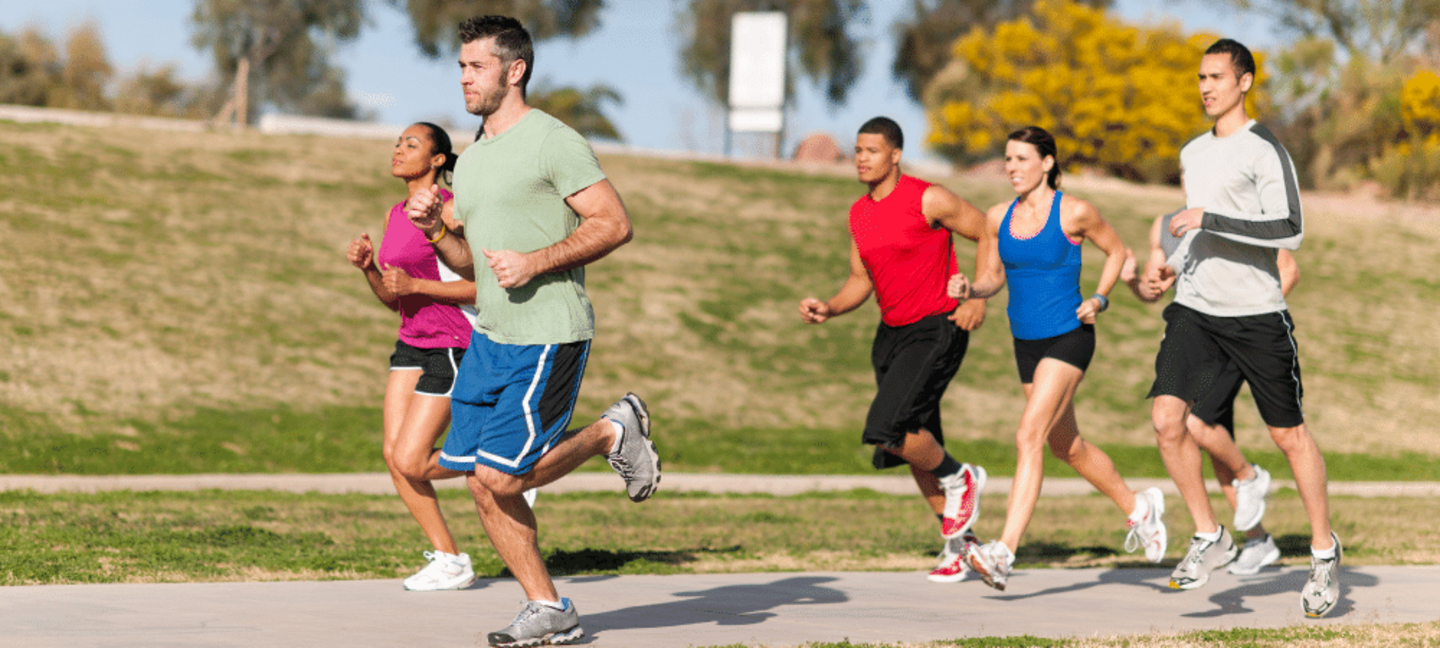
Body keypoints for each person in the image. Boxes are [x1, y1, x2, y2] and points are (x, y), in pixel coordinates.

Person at [404, 15, 660, 647]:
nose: (464, 78)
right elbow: (473, 266)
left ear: (514, 70)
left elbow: (614, 222)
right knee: (474, 475)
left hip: (549, 332)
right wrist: (439, 230)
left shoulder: (553, 140)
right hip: (491, 334)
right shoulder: (475, 160)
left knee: (503, 477)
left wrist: (537, 261)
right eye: (461, 66)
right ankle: (547, 607)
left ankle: (610, 430)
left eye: (476, 66)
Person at [1146, 38, 1339, 617]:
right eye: (1200, 77)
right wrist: (1169, 266)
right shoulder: (1192, 152)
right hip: (1195, 306)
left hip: (1256, 313)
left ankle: (1324, 552)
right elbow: (1196, 235)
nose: (1206, 87)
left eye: (1217, 77)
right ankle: (1210, 534)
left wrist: (1210, 217)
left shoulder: (1264, 149)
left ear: (1244, 82)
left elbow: (1289, 228)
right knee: (1166, 419)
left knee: (1288, 436)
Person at [946, 126, 1167, 591]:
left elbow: (1116, 251)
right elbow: (991, 278)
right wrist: (971, 289)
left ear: (1046, 163)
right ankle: (1139, 508)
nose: (1012, 168)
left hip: (1070, 336)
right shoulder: (996, 217)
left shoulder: (1075, 211)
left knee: (1028, 433)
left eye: (1022, 159)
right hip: (1025, 341)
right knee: (1066, 446)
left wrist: (1101, 298)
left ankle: (1003, 551)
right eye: (1007, 159)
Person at [798, 116, 990, 586]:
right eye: (858, 150)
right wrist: (830, 306)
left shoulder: (930, 197)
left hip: (936, 328)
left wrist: (979, 296)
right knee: (916, 440)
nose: (862, 158)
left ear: (895, 155)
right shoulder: (858, 214)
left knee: (887, 429)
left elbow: (989, 232)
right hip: (891, 335)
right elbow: (861, 279)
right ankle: (960, 546)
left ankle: (962, 478)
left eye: (872, 150)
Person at [1121, 214, 1302, 576]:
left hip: (1237, 334)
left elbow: (1289, 269)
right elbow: (1153, 291)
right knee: (1212, 437)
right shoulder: (1162, 225)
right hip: (1197, 341)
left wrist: (1249, 318)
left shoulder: (1236, 213)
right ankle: (1258, 539)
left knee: (1198, 424)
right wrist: (1133, 282)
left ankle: (1250, 478)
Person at [346, 122, 479, 591]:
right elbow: (394, 298)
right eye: (398, 142)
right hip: (411, 341)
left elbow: (482, 286)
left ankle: (505, 461)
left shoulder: (454, 211)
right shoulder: (395, 213)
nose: (398, 149)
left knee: (413, 458)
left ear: (438, 160)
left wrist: (419, 285)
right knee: (393, 455)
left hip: (452, 340)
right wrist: (370, 271)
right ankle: (450, 559)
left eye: (412, 143)